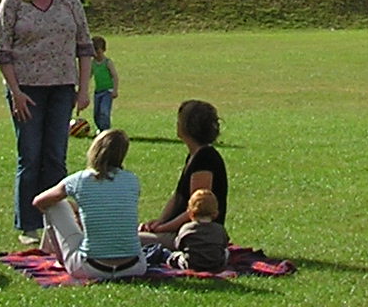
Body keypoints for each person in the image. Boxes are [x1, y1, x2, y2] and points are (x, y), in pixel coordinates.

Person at [0, 0, 93, 246]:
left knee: (56, 156)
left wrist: (83, 88)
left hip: (62, 86)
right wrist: (16, 92)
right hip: (27, 90)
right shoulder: (14, 0)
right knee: (31, 155)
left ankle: (56, 221)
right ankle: (29, 224)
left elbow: (84, 42)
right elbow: (2, 50)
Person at [34, 128, 146, 282]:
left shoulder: (79, 180)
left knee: (54, 205)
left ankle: (57, 257)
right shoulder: (132, 180)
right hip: (135, 266)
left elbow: (40, 201)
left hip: (91, 267)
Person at [142, 99, 228, 245]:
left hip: (193, 236)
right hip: (178, 231)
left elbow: (196, 210)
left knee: (127, 241)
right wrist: (159, 222)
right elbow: (178, 197)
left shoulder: (205, 160)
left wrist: (163, 228)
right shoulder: (194, 155)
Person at [172, 188, 231, 274]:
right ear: (215, 213)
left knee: (175, 256)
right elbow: (224, 245)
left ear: (190, 212)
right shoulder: (219, 229)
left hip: (191, 264)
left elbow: (178, 245)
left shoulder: (186, 228)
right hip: (216, 266)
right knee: (227, 252)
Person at [90, 35, 120, 132]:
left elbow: (115, 76)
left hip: (108, 91)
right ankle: (99, 128)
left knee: (104, 111)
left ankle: (106, 130)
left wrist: (115, 90)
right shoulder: (92, 63)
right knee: (96, 113)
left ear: (103, 50)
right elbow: (88, 76)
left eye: (98, 51)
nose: (96, 55)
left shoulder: (107, 62)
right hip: (98, 92)